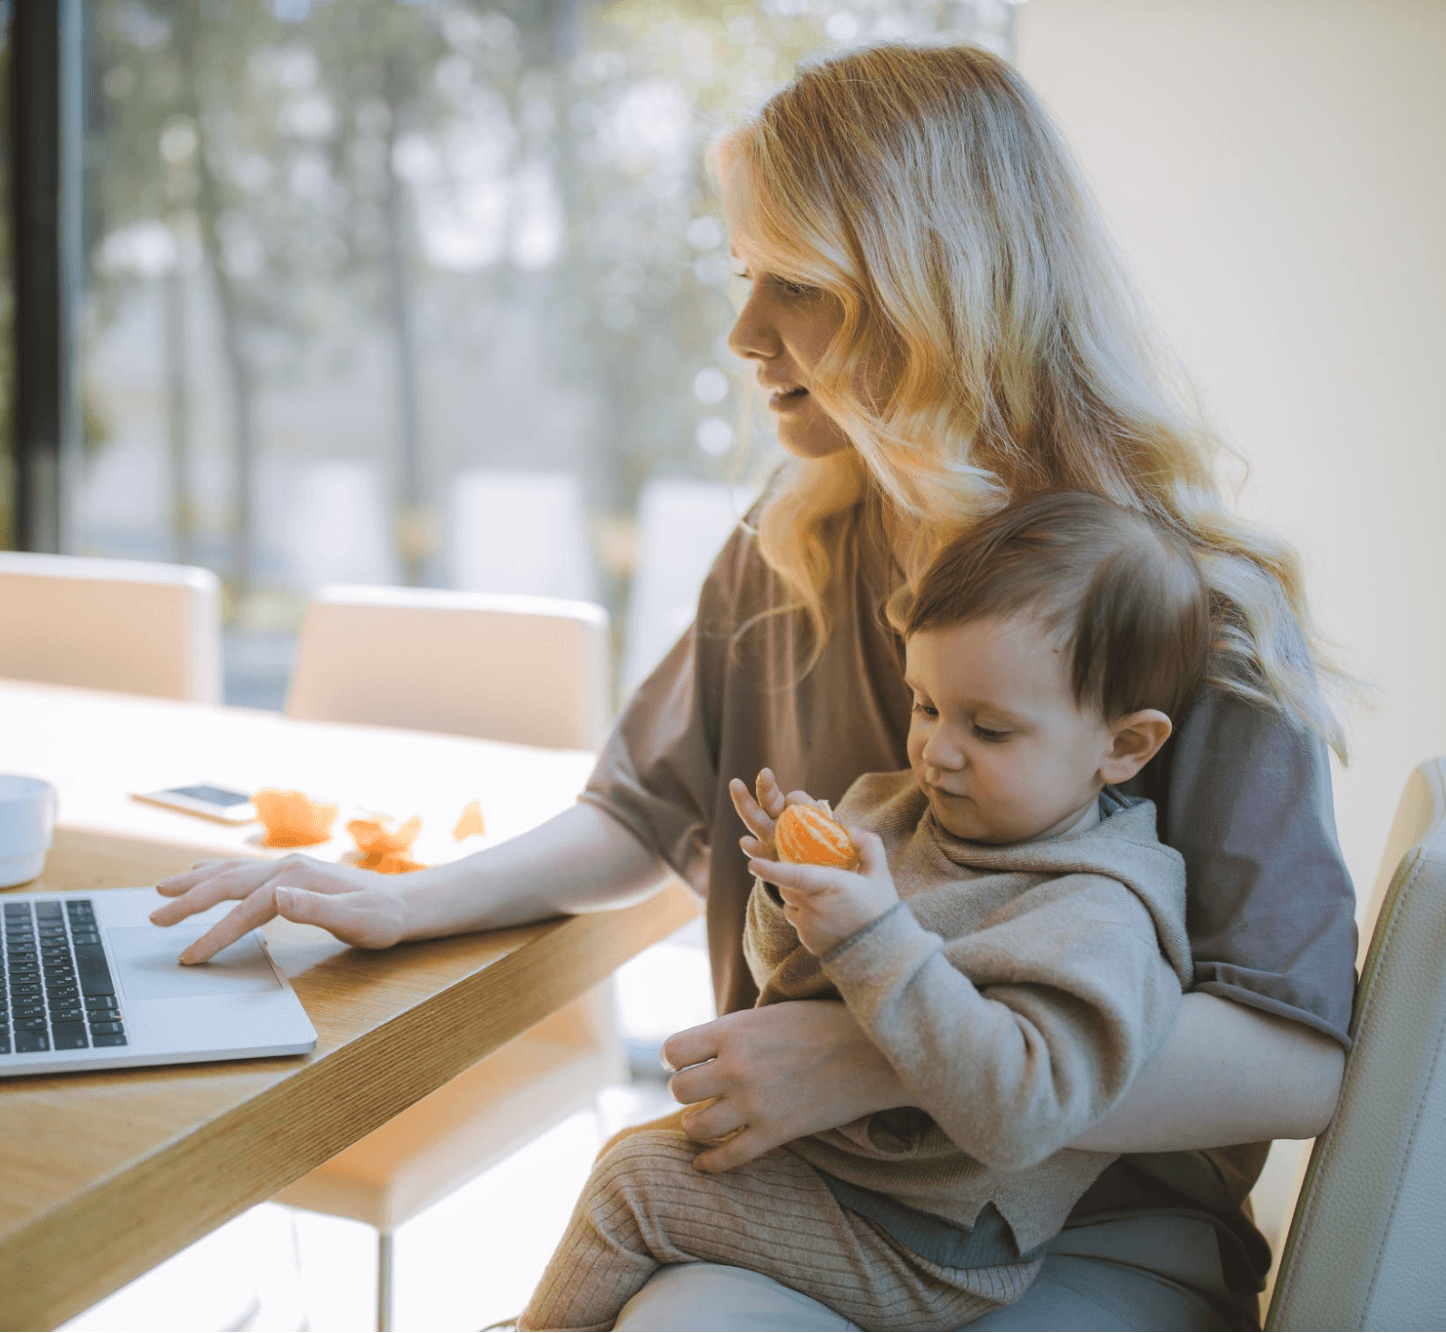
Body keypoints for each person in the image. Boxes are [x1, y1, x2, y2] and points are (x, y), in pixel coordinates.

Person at [152, 42, 1355, 1332]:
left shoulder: (1188, 611)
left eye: (797, 285)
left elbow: (1293, 1059)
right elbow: (644, 811)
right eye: (743, 277)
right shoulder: (790, 545)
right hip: (830, 1189)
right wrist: (411, 900)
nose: (742, 334)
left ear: (933, 292)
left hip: (1091, 1232)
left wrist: (873, 1054)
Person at [519, 491, 1211, 1332]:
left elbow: (1023, 1111)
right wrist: (791, 893)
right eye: (924, 704)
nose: (935, 750)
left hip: (929, 1241)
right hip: (835, 1173)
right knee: (642, 1159)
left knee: (634, 1186)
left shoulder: (1101, 908)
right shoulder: (895, 811)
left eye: (989, 729)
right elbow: (789, 980)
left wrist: (875, 934)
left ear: (1124, 745)